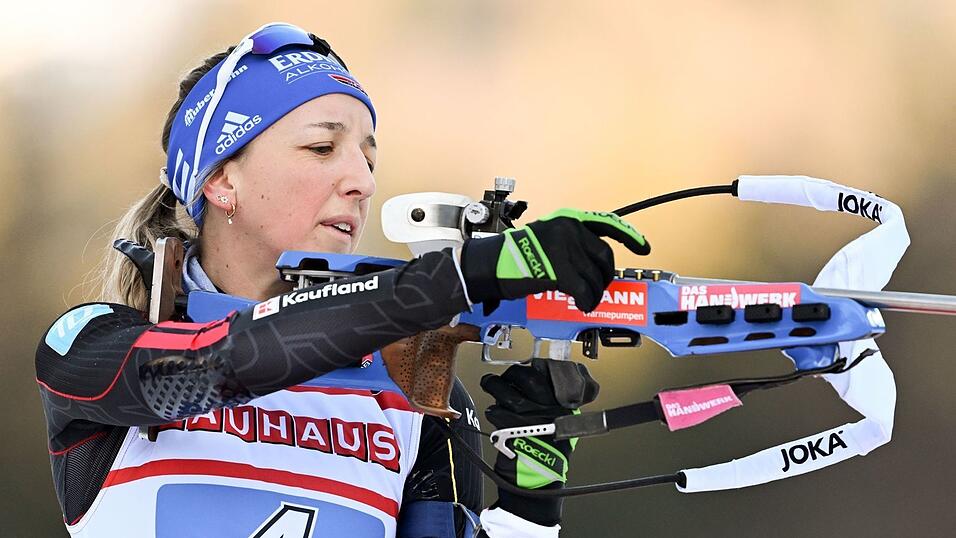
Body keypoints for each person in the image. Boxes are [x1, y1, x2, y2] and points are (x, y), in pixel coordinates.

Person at [35, 22, 650, 538]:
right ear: (221, 181)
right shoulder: (90, 342)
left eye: (369, 158)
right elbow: (218, 361)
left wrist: (530, 499)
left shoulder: (404, 385)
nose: (362, 180)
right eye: (323, 148)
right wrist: (461, 276)